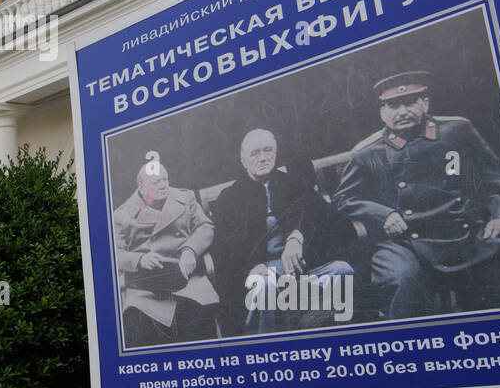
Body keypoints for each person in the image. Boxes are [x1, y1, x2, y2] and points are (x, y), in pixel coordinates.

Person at [333, 71, 500, 319]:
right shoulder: (367, 152)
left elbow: (498, 179)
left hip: (464, 231)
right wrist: (384, 214)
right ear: (382, 112)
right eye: (393, 105)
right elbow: (344, 198)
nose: (402, 111)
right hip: (404, 241)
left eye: (410, 102)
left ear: (425, 103)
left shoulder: (457, 130)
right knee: (401, 277)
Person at [207, 129, 354, 335]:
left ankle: (303, 326)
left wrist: (298, 236)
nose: (263, 158)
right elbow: (223, 249)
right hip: (260, 277)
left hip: (300, 271)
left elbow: (328, 218)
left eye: (268, 150)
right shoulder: (229, 198)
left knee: (342, 271)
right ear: (243, 160)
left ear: (275, 153)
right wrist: (251, 268)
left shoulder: (293, 184)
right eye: (255, 153)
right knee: (265, 285)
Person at [113, 159, 219, 347]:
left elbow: (205, 226)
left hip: (188, 279)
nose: (163, 185)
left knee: (202, 329)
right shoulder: (122, 215)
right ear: (141, 185)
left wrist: (190, 250)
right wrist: (140, 259)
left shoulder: (185, 198)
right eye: (156, 182)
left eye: (165, 179)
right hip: (146, 290)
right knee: (141, 333)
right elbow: (114, 253)